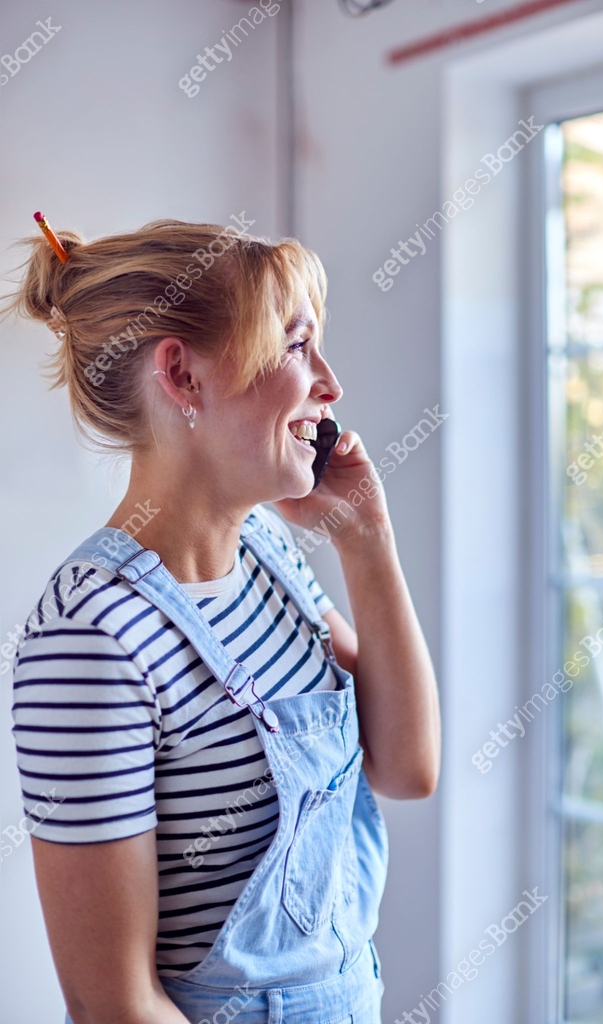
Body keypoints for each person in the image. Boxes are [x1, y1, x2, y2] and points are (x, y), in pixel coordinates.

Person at [7, 219, 441, 1024]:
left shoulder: (269, 551)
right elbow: (116, 1004)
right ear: (181, 374)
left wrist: (366, 541)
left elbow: (408, 767)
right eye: (296, 345)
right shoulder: (90, 636)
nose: (329, 384)